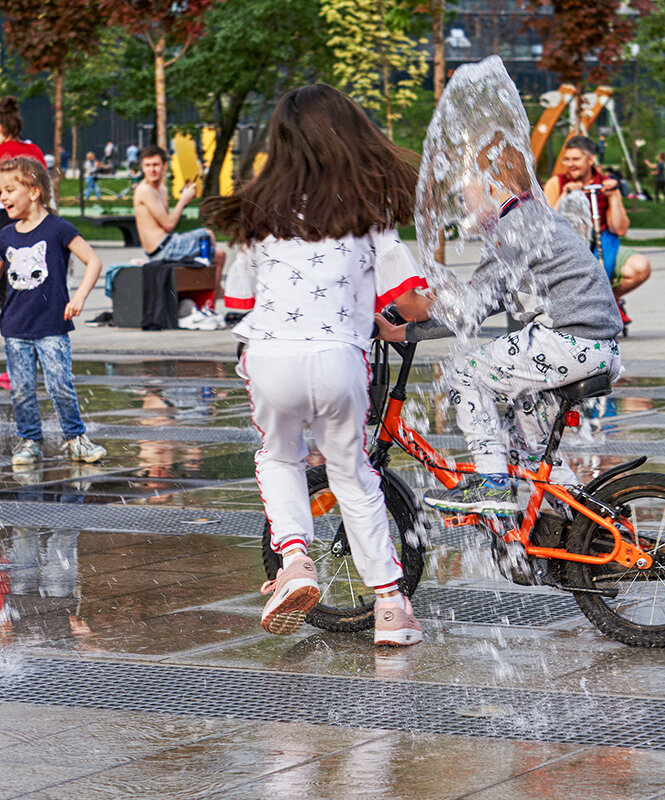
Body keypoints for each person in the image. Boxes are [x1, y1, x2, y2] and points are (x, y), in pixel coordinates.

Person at [204, 84, 432, 646]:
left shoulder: (257, 213)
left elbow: (237, 304)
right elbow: (411, 300)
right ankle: (390, 611)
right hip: (338, 361)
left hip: (271, 358)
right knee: (353, 475)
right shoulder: (368, 212)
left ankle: (296, 563)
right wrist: (397, 312)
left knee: (279, 458)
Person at [383, 134, 623, 517]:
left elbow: (470, 311)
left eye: (467, 194)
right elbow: (480, 299)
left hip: (568, 343)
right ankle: (584, 526)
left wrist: (407, 327)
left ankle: (490, 481)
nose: (464, 206)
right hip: (596, 347)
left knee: (464, 372)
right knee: (529, 449)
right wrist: (421, 317)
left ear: (495, 186)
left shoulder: (512, 229)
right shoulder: (536, 217)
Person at [0, 156, 107, 467]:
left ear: (34, 192)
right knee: (22, 388)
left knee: (59, 384)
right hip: (16, 327)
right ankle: (29, 440)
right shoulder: (7, 234)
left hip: (52, 324)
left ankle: (76, 438)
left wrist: (78, 298)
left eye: (10, 190)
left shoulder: (58, 228)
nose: (4, 197)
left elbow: (93, 261)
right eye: (2, 192)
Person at [543, 135, 649, 329]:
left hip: (601, 243)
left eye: (576, 159)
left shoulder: (605, 183)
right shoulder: (557, 183)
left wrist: (614, 197)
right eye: (567, 159)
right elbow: (545, 223)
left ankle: (611, 299)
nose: (570, 165)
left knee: (640, 267)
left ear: (590, 160)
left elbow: (620, 229)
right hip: (567, 248)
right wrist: (565, 196)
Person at [133, 144, 227, 322]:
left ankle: (209, 305)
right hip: (162, 249)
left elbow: (167, 225)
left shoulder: (161, 189)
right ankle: (215, 291)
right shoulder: (145, 190)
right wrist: (183, 200)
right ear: (142, 167)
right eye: (147, 165)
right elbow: (168, 224)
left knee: (219, 256)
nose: (151, 170)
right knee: (207, 234)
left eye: (155, 165)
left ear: (164, 166)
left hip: (170, 243)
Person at [0, 96, 46, 308]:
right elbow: (45, 186)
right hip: (34, 220)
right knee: (34, 276)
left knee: (4, 279)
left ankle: (13, 325)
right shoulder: (34, 150)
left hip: (1, 222)